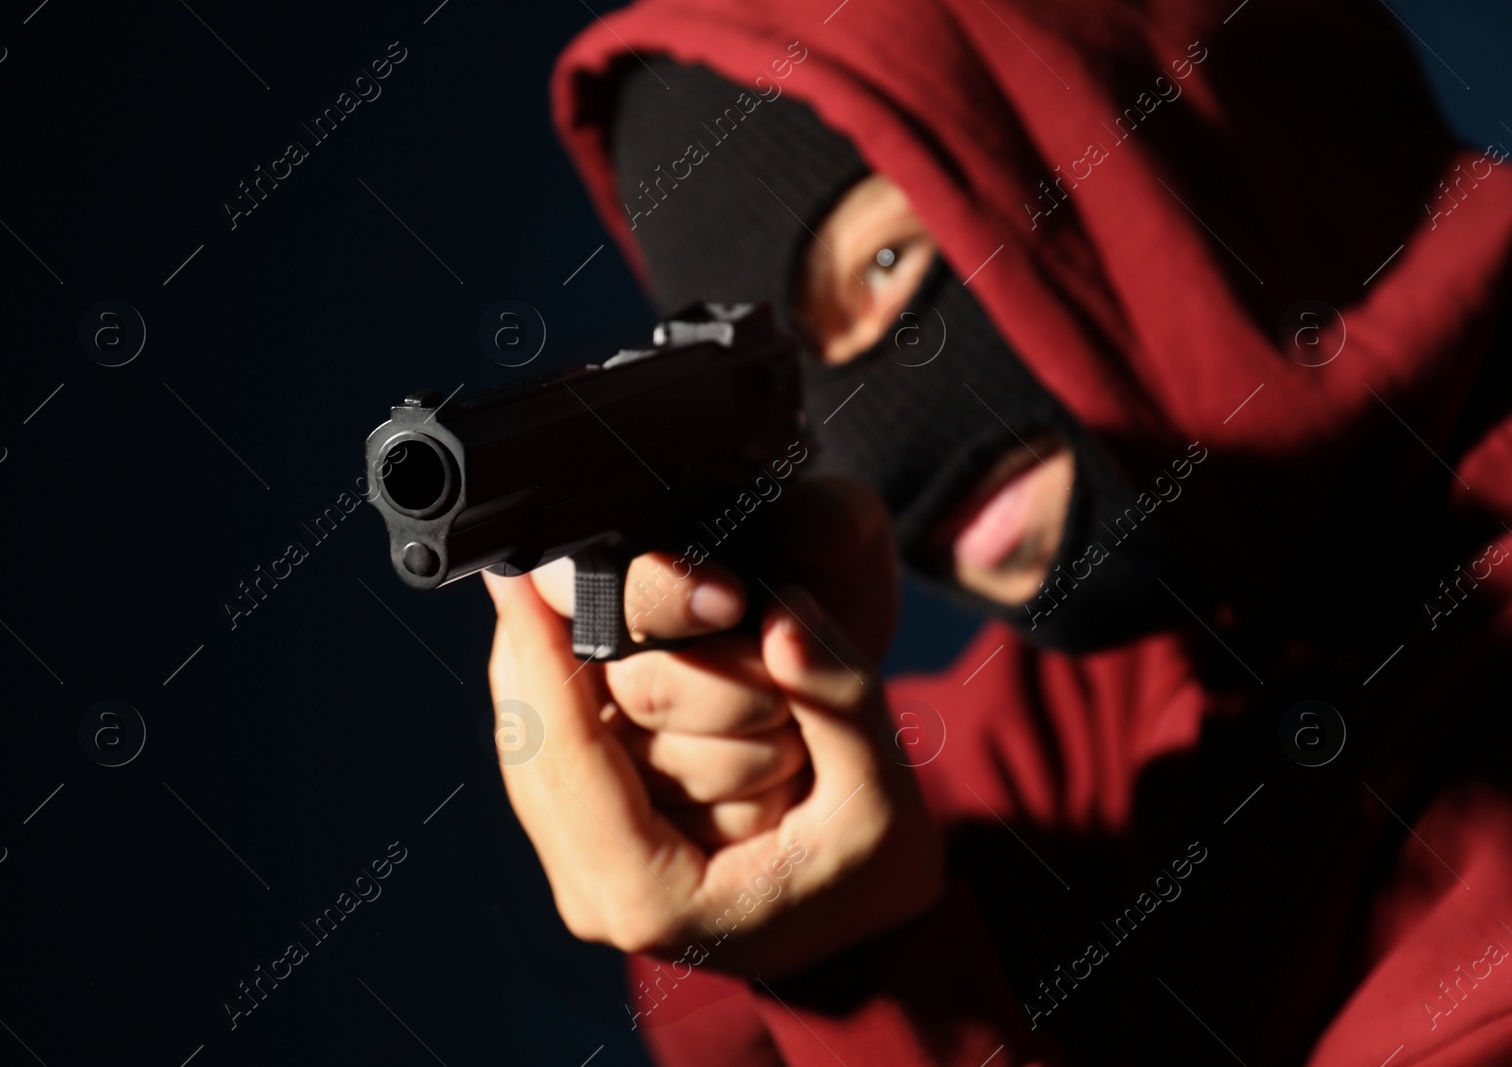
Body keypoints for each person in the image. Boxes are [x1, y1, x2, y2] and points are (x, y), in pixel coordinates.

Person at [483, 0, 1512, 1062]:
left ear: (1145, 119)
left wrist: (862, 972)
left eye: (887, 264)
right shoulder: (1158, 667)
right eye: (788, 386)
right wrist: (753, 799)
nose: (866, 448)